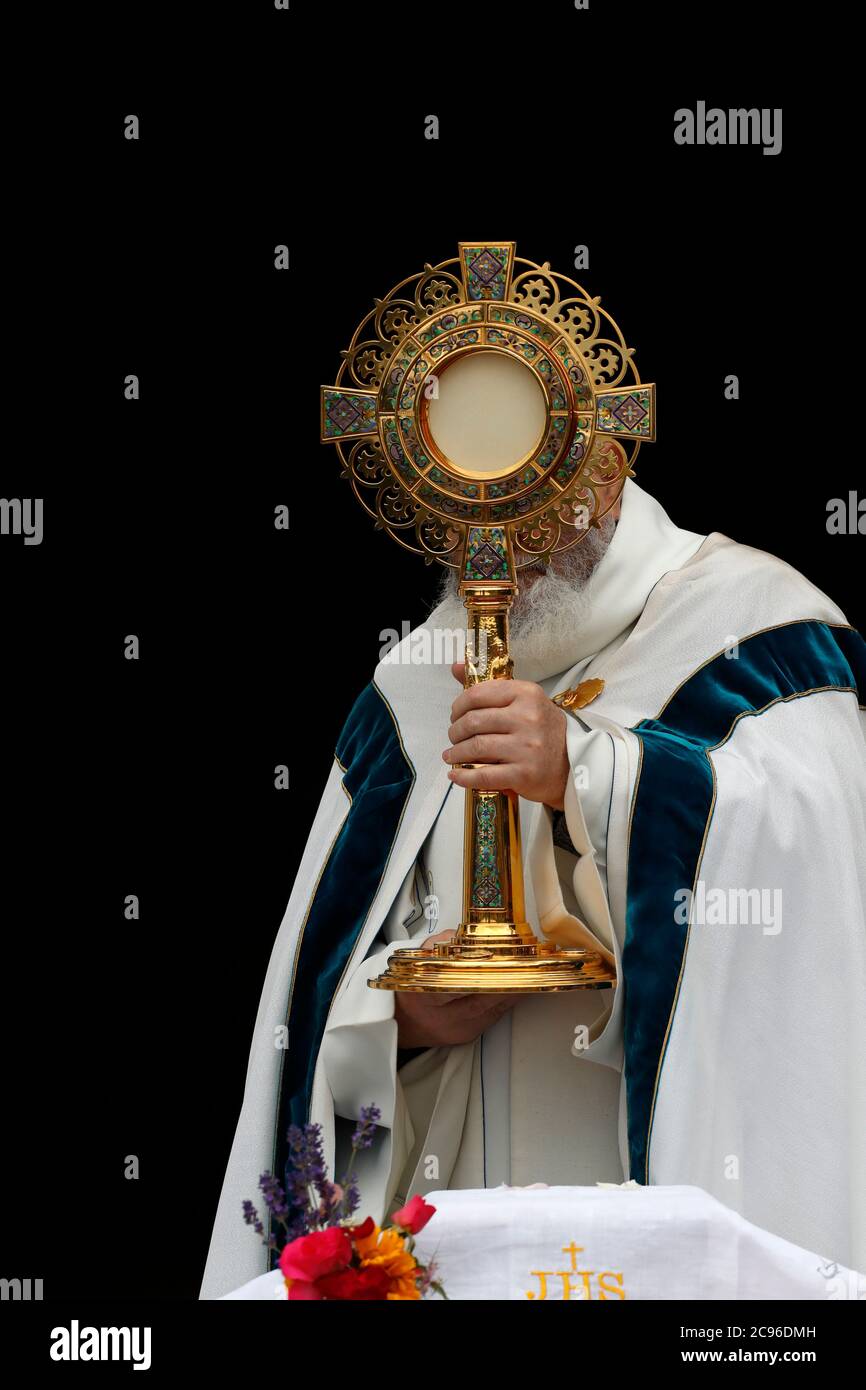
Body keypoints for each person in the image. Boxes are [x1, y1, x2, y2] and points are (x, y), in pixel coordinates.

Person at [200, 477, 866, 1298]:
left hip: (643, 1208)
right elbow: (321, 985)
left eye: (526, 501)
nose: (492, 544)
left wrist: (584, 773)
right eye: (459, 503)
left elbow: (808, 871)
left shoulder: (752, 626)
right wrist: (399, 1016)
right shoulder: (411, 683)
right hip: (453, 1228)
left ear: (601, 468)